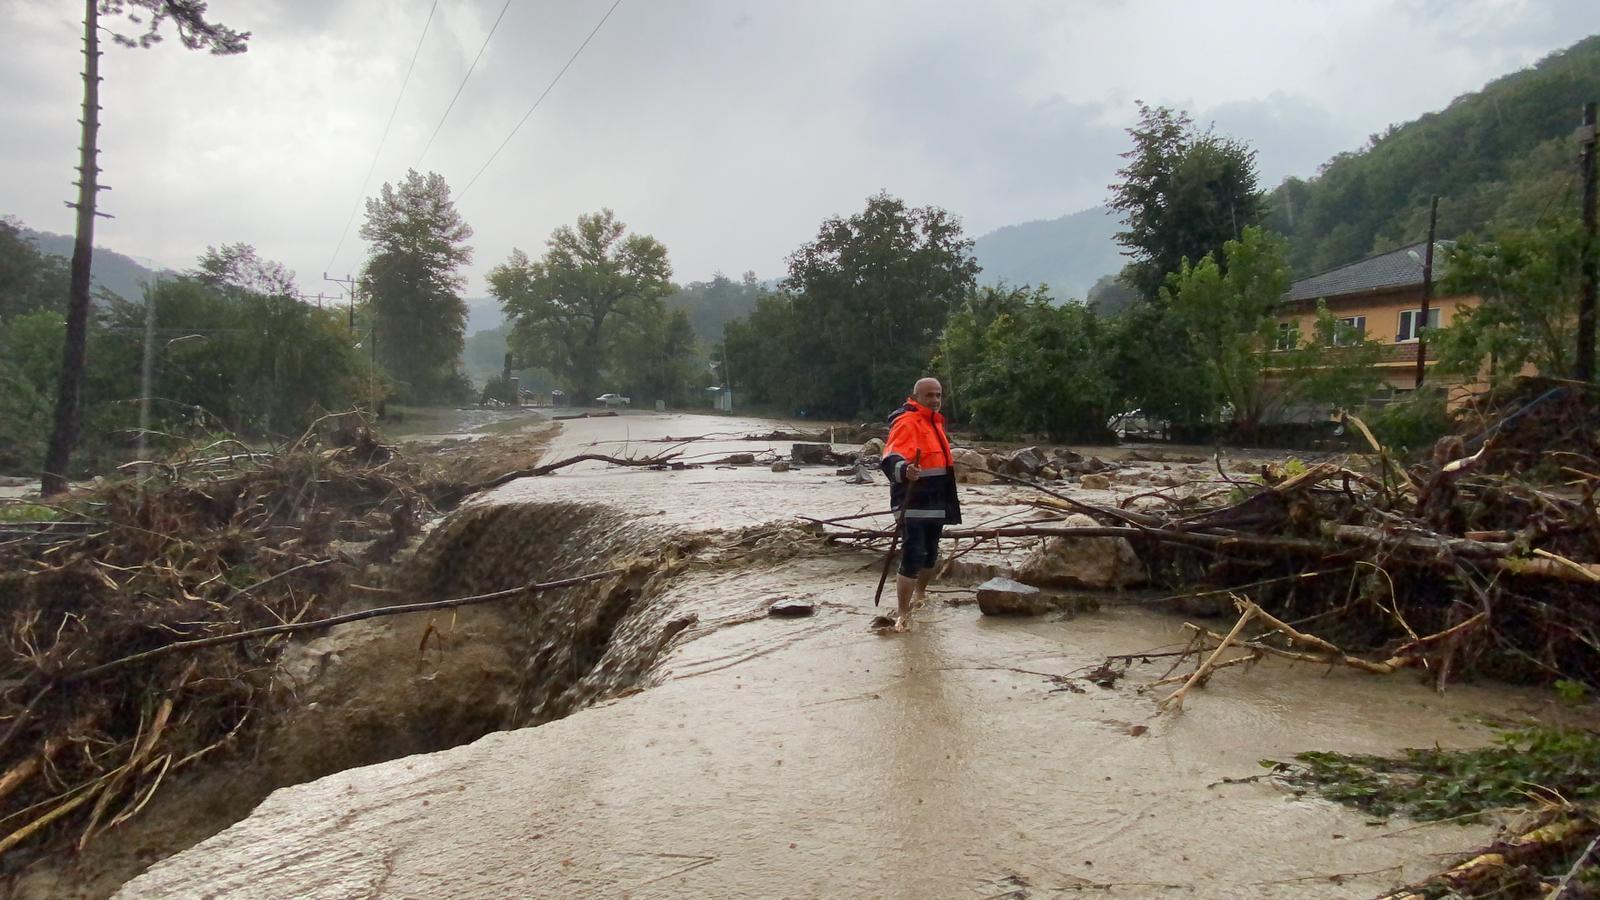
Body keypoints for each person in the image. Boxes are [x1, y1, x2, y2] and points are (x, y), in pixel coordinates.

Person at [878, 377, 961, 631]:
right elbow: (891, 455)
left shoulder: (934, 422)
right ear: (915, 396)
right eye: (930, 395)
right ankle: (903, 613)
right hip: (912, 500)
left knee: (931, 553)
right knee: (914, 554)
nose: (935, 400)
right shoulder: (907, 422)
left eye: (938, 395)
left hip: (936, 499)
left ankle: (920, 594)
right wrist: (905, 470)